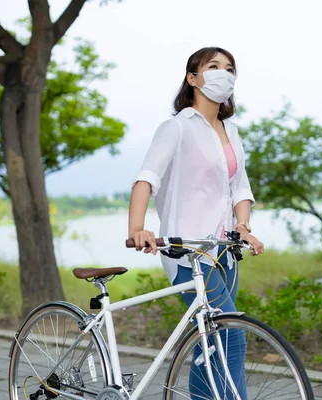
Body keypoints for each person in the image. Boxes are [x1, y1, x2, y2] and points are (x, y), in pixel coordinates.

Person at [128, 46, 264, 399]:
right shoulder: (177, 127)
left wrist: (244, 226)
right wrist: (138, 228)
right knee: (231, 335)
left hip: (223, 252)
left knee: (208, 343)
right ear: (193, 78)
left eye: (230, 68)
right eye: (214, 66)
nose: (224, 73)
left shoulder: (231, 131)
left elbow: (240, 188)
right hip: (186, 251)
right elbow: (147, 178)